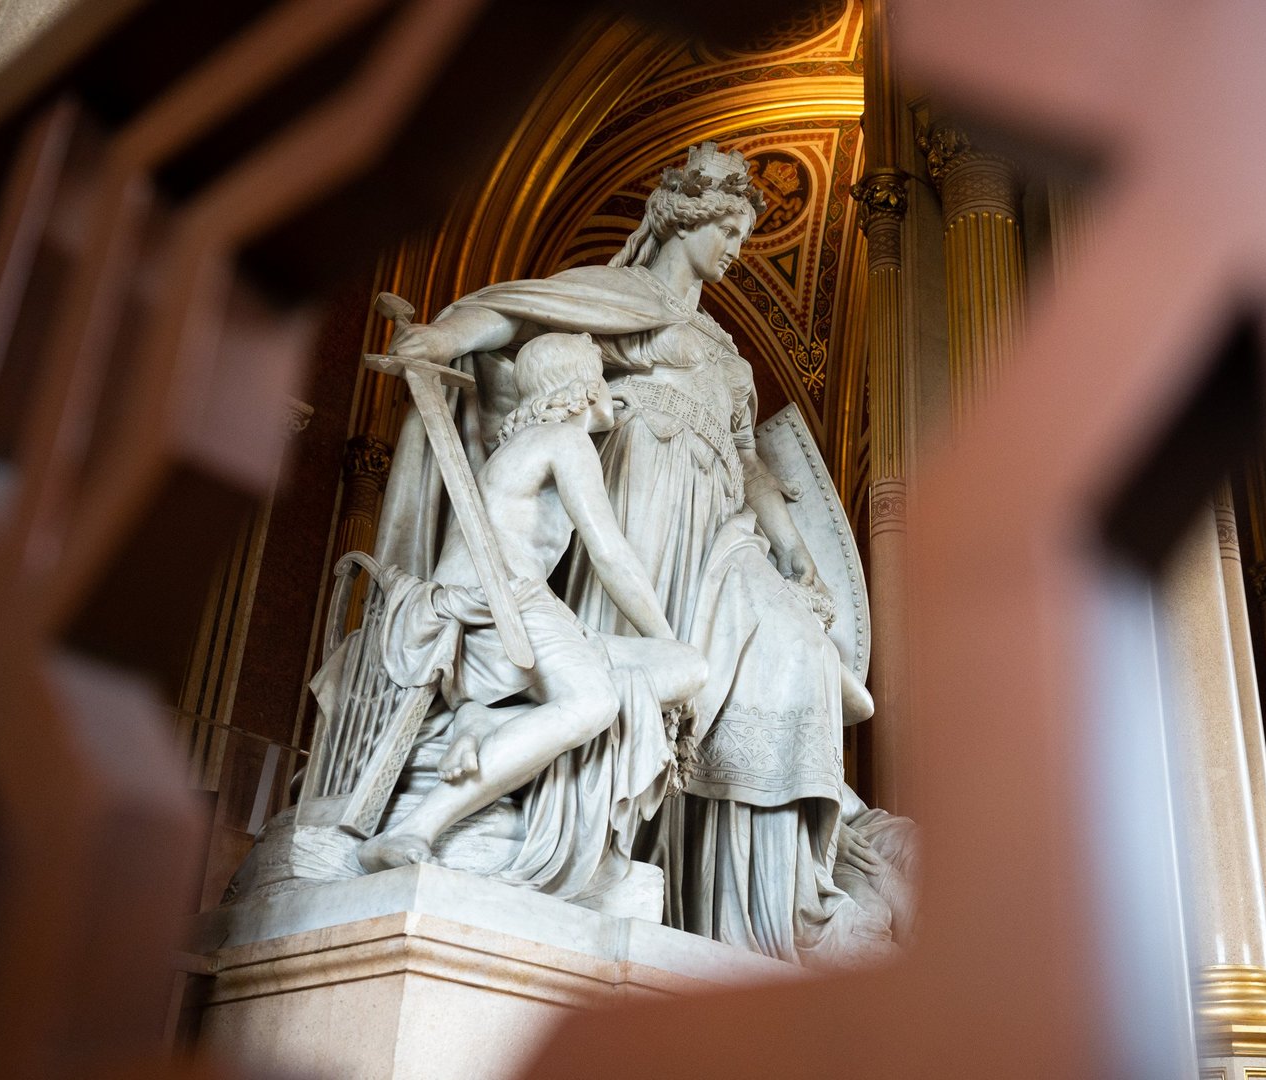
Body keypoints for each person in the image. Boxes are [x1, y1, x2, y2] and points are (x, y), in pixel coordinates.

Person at [375, 142, 908, 965]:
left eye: (742, 231)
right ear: (685, 218)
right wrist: (442, 338)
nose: (735, 247)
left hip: (718, 529)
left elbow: (751, 460)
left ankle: (766, 904)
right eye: (727, 226)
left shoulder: (728, 349)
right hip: (630, 502)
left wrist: (797, 552)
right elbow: (516, 314)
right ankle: (601, 840)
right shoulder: (618, 295)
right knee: (632, 675)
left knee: (798, 654)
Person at [355, 333, 705, 897]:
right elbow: (609, 552)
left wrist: (668, 651)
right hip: (497, 607)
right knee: (595, 702)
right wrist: (659, 635)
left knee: (687, 667)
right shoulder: (564, 442)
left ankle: (482, 722)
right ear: (581, 387)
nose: (610, 391)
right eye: (601, 376)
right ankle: (411, 830)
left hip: (518, 611)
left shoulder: (520, 449)